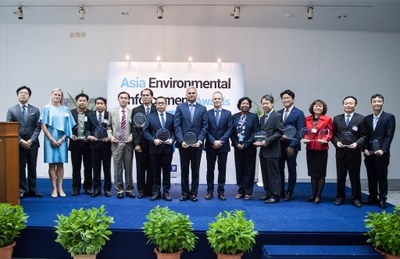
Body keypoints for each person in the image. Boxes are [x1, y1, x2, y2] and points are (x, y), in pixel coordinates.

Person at [6, 86, 43, 198]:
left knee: (32, 167)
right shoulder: (11, 110)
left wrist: (31, 140)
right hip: (18, 144)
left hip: (33, 144)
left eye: (25, 93)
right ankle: (22, 189)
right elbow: (9, 128)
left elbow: (38, 127)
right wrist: (21, 140)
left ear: (29, 96)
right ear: (17, 95)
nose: (23, 95)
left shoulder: (35, 110)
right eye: (21, 93)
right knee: (20, 167)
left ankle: (32, 190)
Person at [39, 88, 75, 198]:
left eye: (59, 95)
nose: (57, 96)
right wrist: (51, 139)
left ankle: (60, 188)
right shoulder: (46, 108)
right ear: (51, 95)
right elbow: (43, 124)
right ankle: (53, 189)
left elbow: (69, 126)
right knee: (51, 164)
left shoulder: (65, 109)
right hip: (50, 138)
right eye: (55, 94)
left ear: (61, 97)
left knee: (60, 164)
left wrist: (63, 138)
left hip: (62, 139)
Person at [361, 94, 396, 209]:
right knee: (371, 176)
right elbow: (365, 136)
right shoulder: (367, 118)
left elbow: (389, 136)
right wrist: (364, 149)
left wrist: (383, 149)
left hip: (381, 153)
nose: (377, 103)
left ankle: (382, 199)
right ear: (371, 104)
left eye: (379, 101)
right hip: (369, 153)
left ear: (383, 103)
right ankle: (372, 197)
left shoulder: (389, 117)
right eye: (374, 101)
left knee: (382, 176)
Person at [174, 86, 208, 202]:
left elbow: (205, 126)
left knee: (195, 170)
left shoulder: (202, 108)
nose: (191, 95)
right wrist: (181, 141)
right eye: (189, 93)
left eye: (193, 93)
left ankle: (194, 193)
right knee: (184, 170)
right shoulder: (180, 107)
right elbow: (177, 126)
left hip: (197, 145)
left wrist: (200, 141)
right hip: (183, 145)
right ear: (186, 95)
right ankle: (184, 194)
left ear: (196, 94)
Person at [332, 96, 365, 208]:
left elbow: (364, 135)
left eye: (351, 103)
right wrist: (336, 143)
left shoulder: (361, 118)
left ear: (355, 105)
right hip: (341, 152)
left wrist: (357, 144)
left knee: (355, 176)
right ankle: (340, 197)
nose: (348, 105)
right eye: (346, 103)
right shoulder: (336, 118)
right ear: (343, 105)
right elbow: (333, 135)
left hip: (354, 152)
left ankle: (356, 198)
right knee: (340, 175)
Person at [143, 96, 175, 201]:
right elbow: (145, 132)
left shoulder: (172, 117)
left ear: (166, 104)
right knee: (155, 172)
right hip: (155, 148)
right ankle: (156, 192)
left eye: (162, 103)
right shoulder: (150, 117)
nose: (160, 105)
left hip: (167, 148)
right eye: (158, 103)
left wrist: (172, 140)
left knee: (166, 172)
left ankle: (166, 192)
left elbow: (175, 132)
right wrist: (153, 140)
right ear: (155, 105)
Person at [254, 94, 284, 204]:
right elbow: (261, 134)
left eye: (267, 103)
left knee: (273, 174)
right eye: (263, 103)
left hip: (273, 150)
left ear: (272, 104)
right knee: (265, 173)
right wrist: (259, 141)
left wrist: (267, 141)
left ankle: (275, 195)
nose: (264, 105)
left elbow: (280, 132)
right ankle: (268, 193)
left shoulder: (276, 116)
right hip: (263, 151)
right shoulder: (262, 118)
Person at [302, 99, 333, 204]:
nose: (318, 108)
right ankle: (313, 194)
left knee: (320, 173)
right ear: (312, 108)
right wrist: (305, 139)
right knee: (312, 173)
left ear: (323, 109)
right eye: (316, 106)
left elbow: (330, 133)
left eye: (320, 106)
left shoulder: (327, 119)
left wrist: (325, 140)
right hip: (310, 147)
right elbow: (305, 131)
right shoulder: (307, 119)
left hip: (321, 149)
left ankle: (318, 196)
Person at [205, 91, 233, 201]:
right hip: (210, 146)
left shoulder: (228, 113)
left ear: (222, 100)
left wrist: (221, 141)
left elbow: (230, 129)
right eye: (215, 99)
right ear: (212, 100)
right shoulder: (207, 113)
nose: (217, 100)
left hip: (223, 146)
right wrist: (213, 141)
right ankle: (209, 191)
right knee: (210, 169)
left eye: (219, 99)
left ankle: (221, 192)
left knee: (222, 170)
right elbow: (205, 129)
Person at [278, 89, 305, 201]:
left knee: (291, 169)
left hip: (292, 147)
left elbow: (301, 131)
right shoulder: (278, 112)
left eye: (288, 98)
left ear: (293, 99)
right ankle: (280, 191)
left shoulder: (299, 113)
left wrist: (292, 146)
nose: (286, 100)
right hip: (279, 146)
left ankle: (290, 191)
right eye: (284, 98)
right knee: (280, 169)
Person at [230, 97, 259, 200]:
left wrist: (246, 144)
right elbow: (231, 132)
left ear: (249, 105)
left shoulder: (253, 117)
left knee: (249, 169)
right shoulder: (234, 117)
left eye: (247, 103)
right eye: (243, 103)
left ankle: (248, 192)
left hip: (250, 147)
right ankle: (240, 190)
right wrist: (236, 143)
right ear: (239, 105)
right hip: (238, 148)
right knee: (239, 169)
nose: (245, 105)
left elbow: (256, 132)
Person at [107, 91, 134, 199]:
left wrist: (132, 135)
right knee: (117, 168)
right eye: (121, 98)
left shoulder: (132, 112)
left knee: (128, 168)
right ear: (118, 99)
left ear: (128, 100)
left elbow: (135, 128)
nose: (123, 99)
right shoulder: (111, 112)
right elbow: (108, 126)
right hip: (116, 143)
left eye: (125, 98)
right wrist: (110, 136)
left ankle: (129, 189)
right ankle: (119, 190)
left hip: (128, 144)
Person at [131, 88, 157, 198]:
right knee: (140, 168)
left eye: (147, 95)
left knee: (152, 168)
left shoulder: (157, 108)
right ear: (141, 97)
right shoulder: (136, 110)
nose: (145, 97)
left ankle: (150, 190)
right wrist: (136, 143)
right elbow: (134, 128)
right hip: (140, 144)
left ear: (152, 97)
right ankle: (141, 190)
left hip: (153, 143)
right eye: (143, 95)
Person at [87, 97, 112, 197]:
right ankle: (96, 189)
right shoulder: (90, 115)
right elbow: (88, 128)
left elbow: (112, 128)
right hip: (94, 145)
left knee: (107, 168)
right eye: (97, 103)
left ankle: (107, 189)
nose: (99, 105)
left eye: (101, 103)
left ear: (105, 105)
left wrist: (110, 137)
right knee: (96, 168)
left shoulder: (109, 115)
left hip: (106, 145)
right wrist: (89, 136)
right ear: (95, 105)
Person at [69, 93, 93, 196]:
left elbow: (94, 127)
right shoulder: (70, 113)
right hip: (75, 143)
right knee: (76, 167)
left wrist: (90, 136)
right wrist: (70, 135)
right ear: (76, 102)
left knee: (88, 167)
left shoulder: (91, 113)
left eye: (84, 101)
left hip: (88, 144)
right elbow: (67, 127)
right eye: (80, 100)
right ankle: (76, 188)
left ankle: (87, 188)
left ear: (87, 102)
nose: (82, 102)